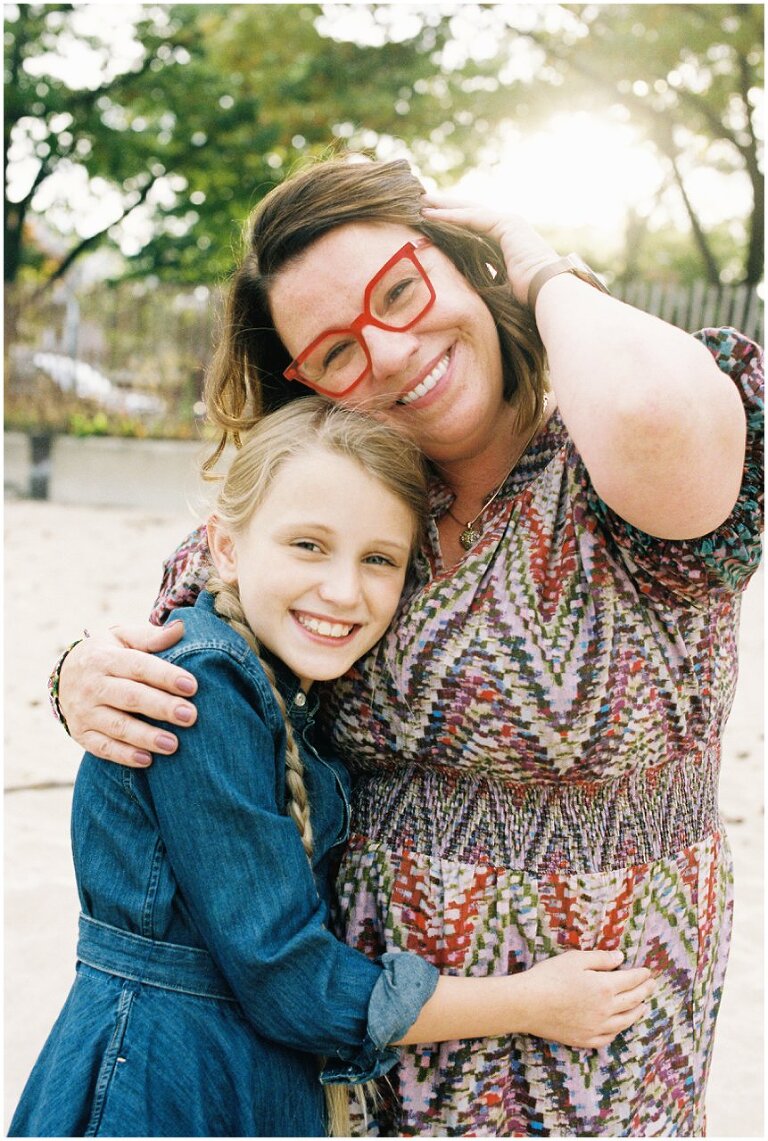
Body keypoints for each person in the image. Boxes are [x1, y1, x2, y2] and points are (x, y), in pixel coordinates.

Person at [52, 157, 763, 1136]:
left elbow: (649, 410)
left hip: (593, 1046)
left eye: (401, 289)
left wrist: (540, 261)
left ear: (465, 262)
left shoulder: (611, 473)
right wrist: (81, 674)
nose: (389, 350)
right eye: (337, 351)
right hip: (357, 1047)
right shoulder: (343, 499)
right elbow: (190, 631)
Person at [12, 398, 653, 1139]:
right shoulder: (203, 693)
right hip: (165, 1087)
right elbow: (292, 982)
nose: (344, 591)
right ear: (224, 546)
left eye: (378, 558)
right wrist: (533, 1001)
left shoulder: (282, 687)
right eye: (308, 545)